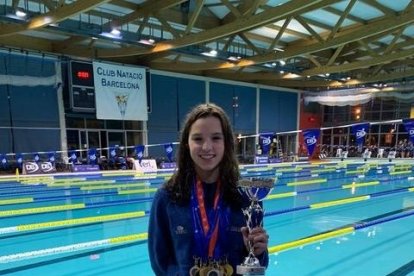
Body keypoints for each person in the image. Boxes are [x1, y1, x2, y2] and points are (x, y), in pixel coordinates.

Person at [148, 103, 269, 275]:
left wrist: (258, 251)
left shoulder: (246, 196)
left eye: (216, 138)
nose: (207, 147)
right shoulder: (167, 198)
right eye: (198, 139)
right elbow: (160, 263)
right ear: (186, 144)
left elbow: (257, 268)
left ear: (226, 142)